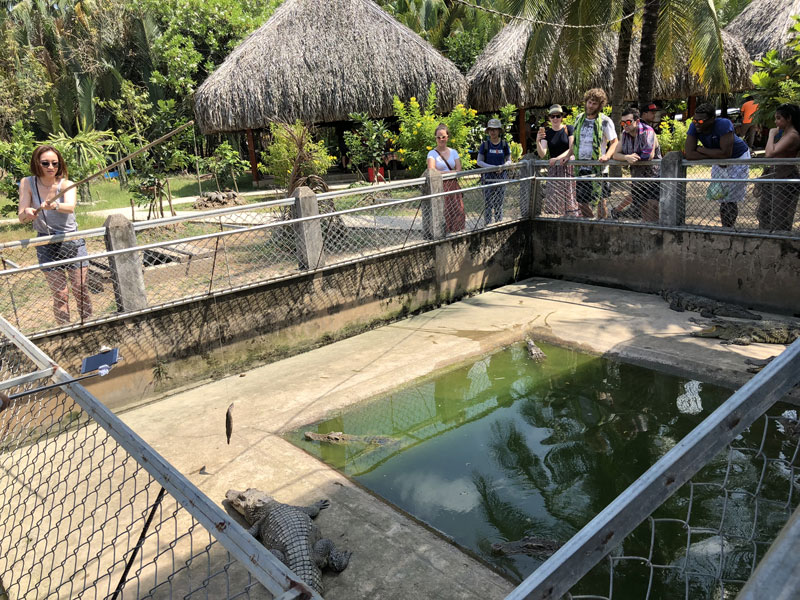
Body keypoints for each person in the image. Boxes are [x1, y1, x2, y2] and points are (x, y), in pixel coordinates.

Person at [17, 145, 92, 325]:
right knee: (60, 294)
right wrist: (28, 212)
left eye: (55, 163)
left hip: (71, 240)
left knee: (80, 289)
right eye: (45, 163)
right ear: (37, 163)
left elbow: (70, 207)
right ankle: (65, 330)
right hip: (46, 242)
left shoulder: (66, 184)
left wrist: (55, 206)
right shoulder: (27, 183)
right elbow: (21, 216)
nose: (51, 167)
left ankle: (88, 325)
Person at [684, 102, 751, 228]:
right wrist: (716, 155)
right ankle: (726, 226)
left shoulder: (723, 124)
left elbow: (726, 154)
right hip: (717, 159)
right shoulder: (695, 126)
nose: (697, 123)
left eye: (701, 121)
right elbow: (689, 154)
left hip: (737, 158)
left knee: (730, 197)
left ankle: (728, 227)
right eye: (695, 120)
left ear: (712, 119)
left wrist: (701, 149)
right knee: (722, 195)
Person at [572, 88, 618, 219]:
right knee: (581, 201)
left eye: (594, 103)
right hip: (581, 167)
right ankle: (591, 224)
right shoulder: (579, 119)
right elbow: (575, 142)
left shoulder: (605, 121)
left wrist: (607, 156)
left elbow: (614, 141)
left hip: (599, 167)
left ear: (600, 105)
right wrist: (566, 156)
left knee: (601, 200)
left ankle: (602, 225)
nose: (591, 105)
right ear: (586, 101)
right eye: (589, 102)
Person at [612, 106, 662, 222]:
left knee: (653, 206)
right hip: (637, 177)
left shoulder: (648, 131)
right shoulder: (624, 134)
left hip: (654, 176)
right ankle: (647, 230)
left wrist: (631, 158)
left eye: (628, 122)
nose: (625, 125)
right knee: (643, 206)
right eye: (623, 122)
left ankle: (656, 231)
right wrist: (626, 157)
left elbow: (648, 154)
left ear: (637, 121)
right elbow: (615, 154)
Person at [758, 103, 800, 231]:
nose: (776, 122)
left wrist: (771, 135)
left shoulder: (792, 135)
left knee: (779, 214)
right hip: (774, 174)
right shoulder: (784, 133)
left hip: (784, 176)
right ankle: (765, 235)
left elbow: (770, 153)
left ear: (789, 119)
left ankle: (778, 240)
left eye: (778, 118)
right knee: (763, 211)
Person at [535, 104, 578, 216]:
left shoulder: (569, 129)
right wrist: (537, 141)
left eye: (557, 116)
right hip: (554, 169)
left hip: (567, 166)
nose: (555, 119)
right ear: (549, 118)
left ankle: (572, 217)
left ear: (561, 117)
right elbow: (542, 154)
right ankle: (556, 217)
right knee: (554, 195)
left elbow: (571, 148)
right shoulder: (547, 133)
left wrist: (558, 159)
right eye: (552, 116)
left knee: (569, 194)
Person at [427, 123, 465, 233]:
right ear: (435, 138)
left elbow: (459, 169)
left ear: (447, 137)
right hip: (439, 186)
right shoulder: (432, 153)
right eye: (438, 137)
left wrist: (443, 172)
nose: (441, 139)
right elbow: (431, 170)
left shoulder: (453, 152)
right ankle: (445, 232)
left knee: (458, 208)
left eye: (443, 137)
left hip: (453, 185)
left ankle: (458, 231)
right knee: (444, 210)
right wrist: (450, 172)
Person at [476, 118, 511, 225]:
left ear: (499, 131)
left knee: (499, 202)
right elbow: (479, 161)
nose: (493, 132)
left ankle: (498, 222)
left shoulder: (504, 144)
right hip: (487, 178)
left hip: (501, 177)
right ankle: (488, 223)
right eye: (490, 129)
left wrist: (502, 167)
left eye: (495, 129)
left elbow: (509, 160)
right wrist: (491, 167)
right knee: (488, 203)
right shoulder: (485, 145)